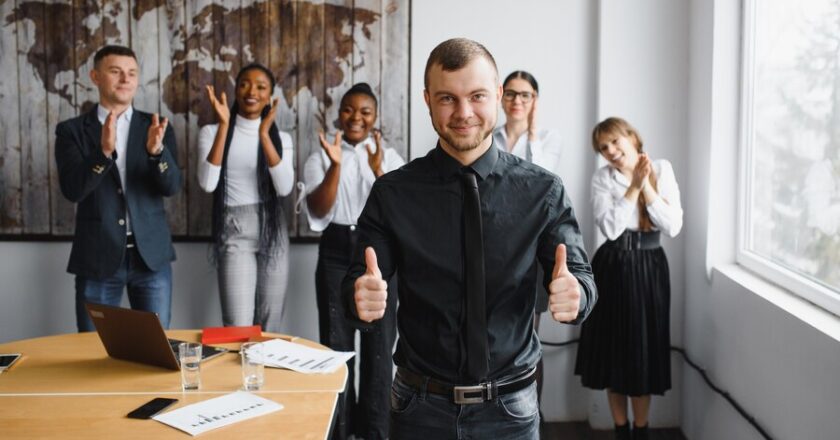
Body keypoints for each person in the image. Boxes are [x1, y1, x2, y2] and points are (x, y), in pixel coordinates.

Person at [342, 38, 597, 440]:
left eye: (477, 96)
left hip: (511, 409)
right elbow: (358, 282)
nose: (463, 113)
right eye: (447, 98)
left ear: (497, 95)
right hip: (418, 408)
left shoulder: (543, 191)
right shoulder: (393, 193)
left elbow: (581, 276)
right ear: (427, 100)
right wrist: (359, 295)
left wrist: (577, 293)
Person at [303, 82, 405, 440]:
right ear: (339, 113)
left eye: (365, 111)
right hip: (335, 249)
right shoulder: (320, 156)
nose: (356, 117)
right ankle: (340, 432)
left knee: (379, 351)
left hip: (378, 255)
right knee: (336, 346)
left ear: (375, 117)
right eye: (349, 109)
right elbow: (318, 209)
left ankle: (376, 433)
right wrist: (335, 165)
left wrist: (378, 170)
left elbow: (400, 215)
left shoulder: (391, 159)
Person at [55, 45, 182, 332]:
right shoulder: (71, 131)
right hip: (97, 258)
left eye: (132, 73)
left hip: (151, 260)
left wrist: (155, 153)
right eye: (116, 71)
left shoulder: (158, 126)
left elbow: (172, 186)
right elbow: (73, 190)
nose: (125, 79)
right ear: (96, 76)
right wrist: (102, 153)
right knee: (93, 352)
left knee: (155, 350)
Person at [574, 117, 683, 440]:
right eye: (603, 148)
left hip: (650, 268)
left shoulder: (661, 168)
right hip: (613, 267)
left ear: (632, 137)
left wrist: (645, 183)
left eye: (614, 141)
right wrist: (633, 186)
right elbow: (609, 228)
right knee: (614, 351)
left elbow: (672, 225)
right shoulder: (602, 178)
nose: (610, 150)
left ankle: (642, 430)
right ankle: (621, 430)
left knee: (643, 351)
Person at [198, 64, 295, 333]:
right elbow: (207, 183)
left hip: (273, 228)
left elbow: (285, 187)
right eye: (244, 84)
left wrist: (264, 134)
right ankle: (238, 377)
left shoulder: (281, 138)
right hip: (235, 227)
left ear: (270, 96)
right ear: (236, 89)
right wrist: (224, 126)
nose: (252, 91)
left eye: (261, 86)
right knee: (237, 327)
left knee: (270, 325)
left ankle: (264, 377)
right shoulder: (211, 132)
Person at [493, 69, 564, 414]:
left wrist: (532, 133)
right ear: (500, 97)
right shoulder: (488, 137)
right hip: (494, 249)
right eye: (511, 94)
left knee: (529, 340)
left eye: (525, 95)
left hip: (532, 251)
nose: (517, 101)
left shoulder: (548, 139)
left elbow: (542, 183)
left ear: (535, 100)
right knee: (498, 337)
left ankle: (532, 417)